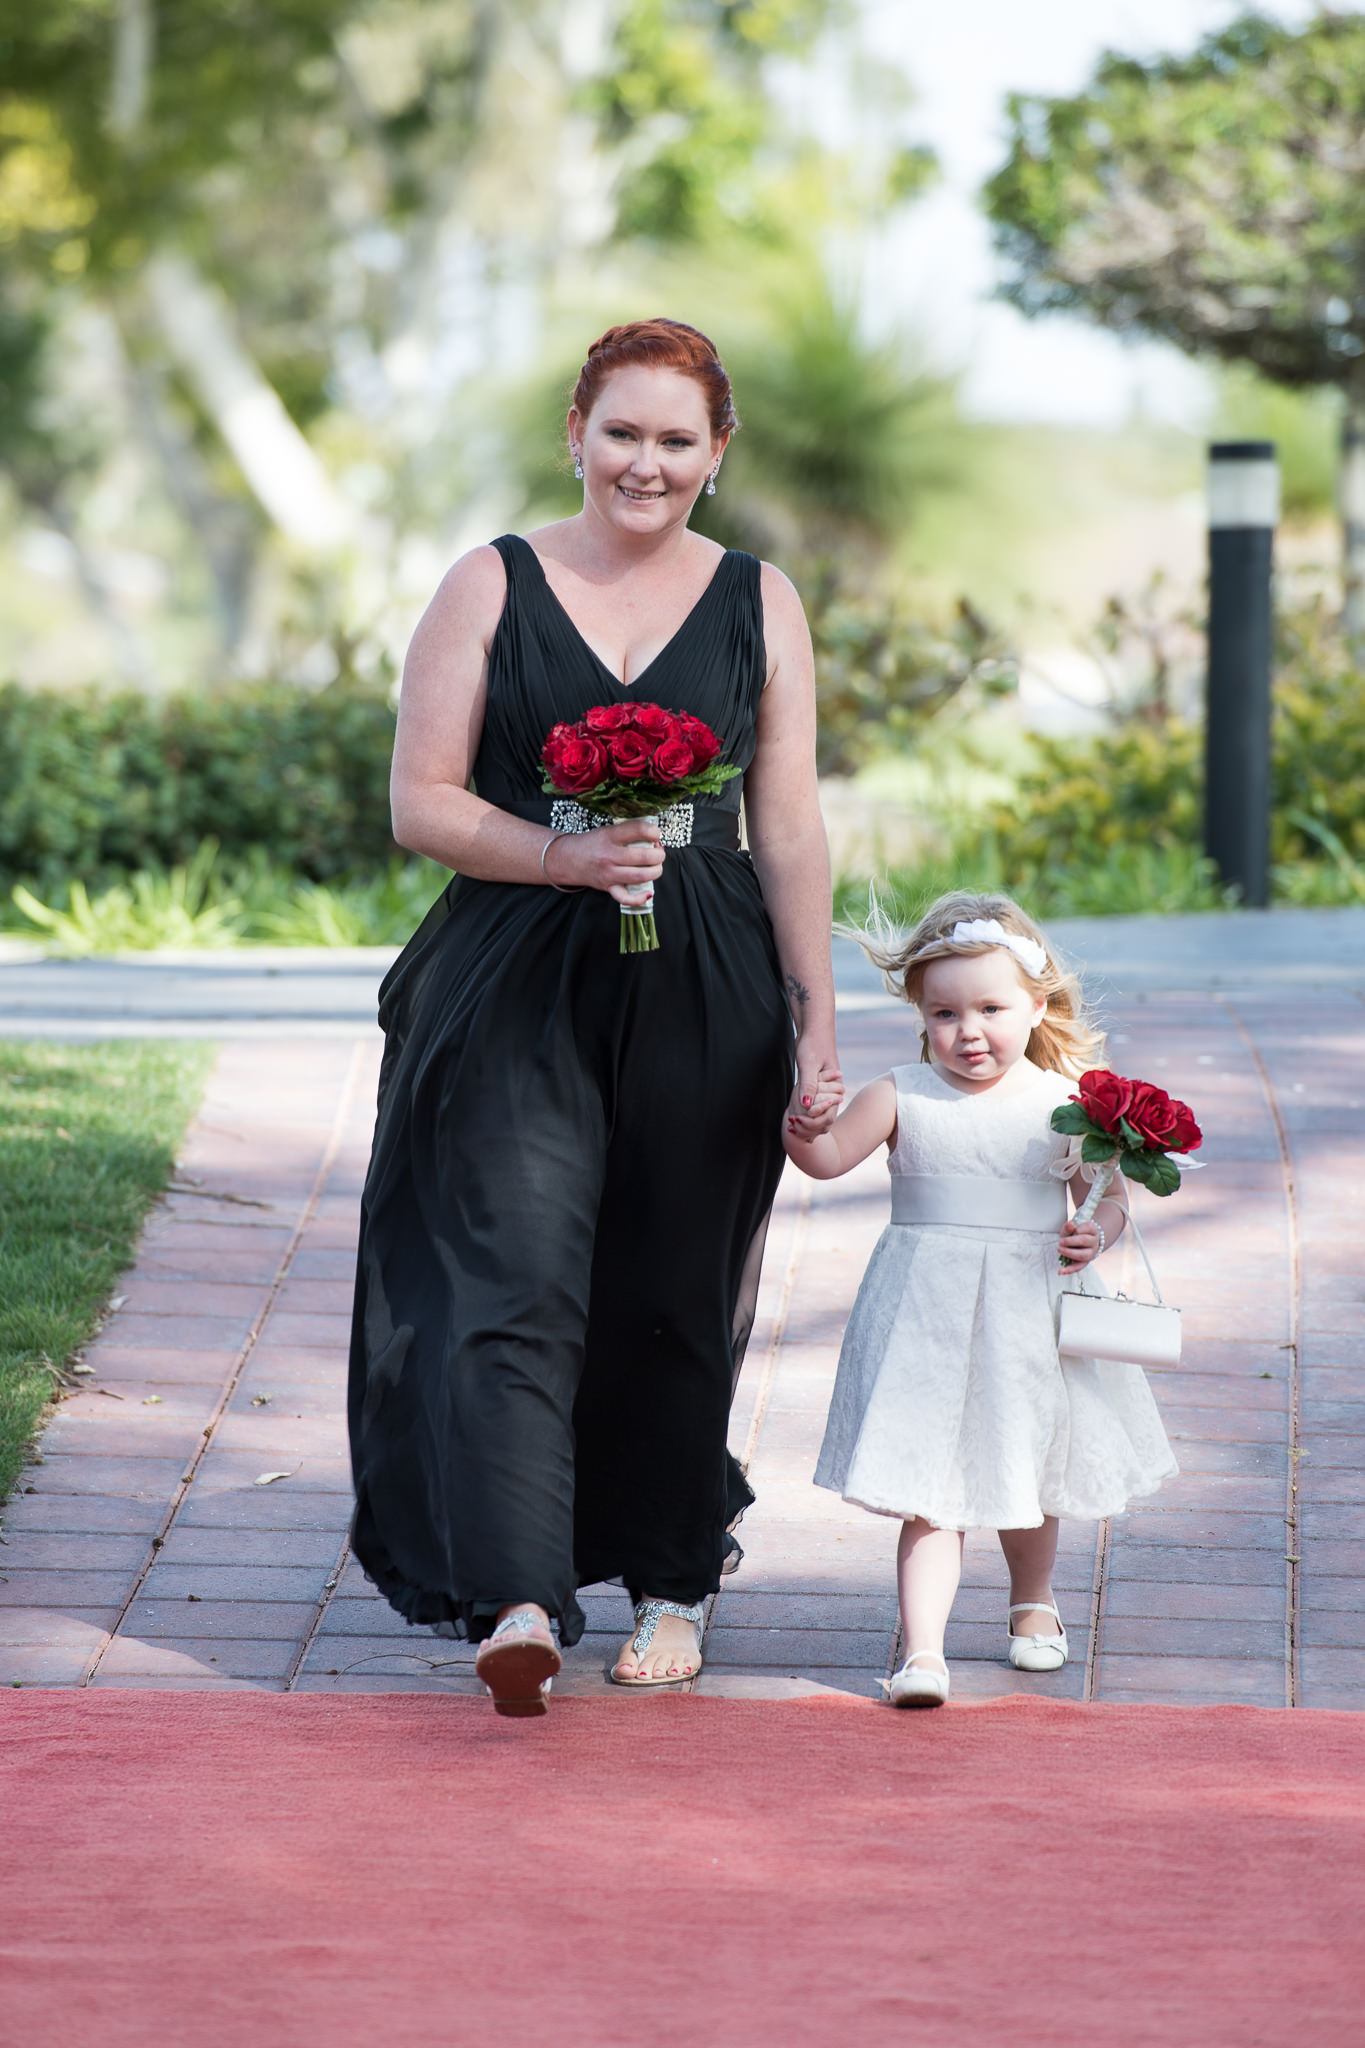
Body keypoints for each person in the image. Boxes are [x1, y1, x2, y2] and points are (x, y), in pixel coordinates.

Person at [347, 318, 842, 1715]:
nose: (646, 462)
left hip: (706, 977)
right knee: (511, 1276)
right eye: (620, 431)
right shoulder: (489, 583)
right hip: (511, 976)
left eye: (677, 439)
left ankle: (675, 1579)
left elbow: (789, 828)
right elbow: (421, 802)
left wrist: (813, 1019)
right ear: (575, 433)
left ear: (717, 452)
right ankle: (518, 1595)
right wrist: (564, 854)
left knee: (674, 1286)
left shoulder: (760, 599)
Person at [782, 891, 1177, 1707]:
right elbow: (826, 1162)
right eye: (944, 1014)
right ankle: (922, 1652)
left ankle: (1032, 1606)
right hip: (925, 1315)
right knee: (932, 1482)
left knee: (1026, 1463)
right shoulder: (902, 1094)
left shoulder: (1064, 1106)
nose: (968, 1032)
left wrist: (1092, 1235)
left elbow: (1108, 1197)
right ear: (920, 1016)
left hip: (1028, 1309)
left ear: (1035, 1005)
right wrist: (802, 1120)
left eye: (991, 1009)